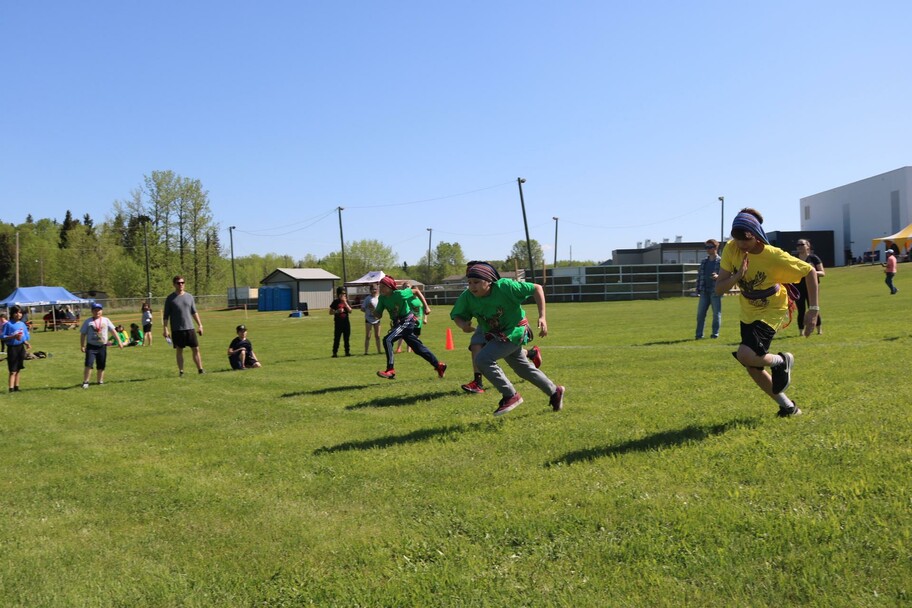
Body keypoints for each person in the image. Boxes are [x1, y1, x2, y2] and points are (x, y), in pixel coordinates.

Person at [714, 208, 819, 418]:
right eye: (737, 239)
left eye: (746, 240)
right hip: (748, 309)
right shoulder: (732, 249)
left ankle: (782, 361)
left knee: (746, 354)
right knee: (752, 364)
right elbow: (719, 288)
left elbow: (810, 271)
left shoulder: (773, 256)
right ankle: (789, 408)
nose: (741, 244)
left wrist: (813, 310)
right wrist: (738, 276)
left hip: (772, 307)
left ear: (756, 233)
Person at [450, 262, 564, 416]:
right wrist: (463, 324)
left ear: (489, 281)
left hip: (515, 331)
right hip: (497, 335)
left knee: (483, 359)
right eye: (469, 282)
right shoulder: (468, 297)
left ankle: (510, 395)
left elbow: (537, 288)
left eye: (476, 282)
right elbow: (457, 315)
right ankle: (555, 391)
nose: (472, 286)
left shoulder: (506, 287)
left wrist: (542, 317)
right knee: (523, 369)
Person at [374, 275, 446, 380]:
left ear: (390, 287)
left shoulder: (400, 294)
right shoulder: (382, 298)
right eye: (380, 287)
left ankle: (390, 370)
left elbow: (416, 291)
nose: (381, 289)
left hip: (407, 320)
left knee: (387, 339)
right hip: (398, 323)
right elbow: (378, 315)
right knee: (418, 348)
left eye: (383, 286)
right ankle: (439, 365)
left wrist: (426, 307)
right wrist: (371, 310)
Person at [162, 275, 205, 376]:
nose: (181, 284)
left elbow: (194, 312)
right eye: (178, 283)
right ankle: (181, 371)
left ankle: (200, 369)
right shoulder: (170, 298)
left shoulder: (189, 297)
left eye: (182, 282)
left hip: (190, 328)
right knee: (179, 350)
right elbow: (166, 316)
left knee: (196, 349)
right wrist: (165, 329)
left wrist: (200, 325)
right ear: (174, 284)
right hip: (177, 329)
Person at [80, 302, 124, 388]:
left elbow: (113, 331)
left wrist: (119, 341)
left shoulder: (106, 320)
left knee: (101, 364)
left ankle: (100, 381)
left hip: (102, 346)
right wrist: (82, 345)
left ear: (102, 311)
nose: (97, 312)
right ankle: (86, 382)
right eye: (95, 310)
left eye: (99, 310)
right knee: (89, 364)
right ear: (92, 311)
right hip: (91, 347)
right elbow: (83, 334)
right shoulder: (88, 321)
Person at [794, 239, 825, 334]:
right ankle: (801, 332)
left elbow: (822, 273)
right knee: (801, 309)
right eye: (797, 244)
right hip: (798, 287)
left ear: (808, 246)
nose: (799, 246)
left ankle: (819, 330)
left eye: (801, 244)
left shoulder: (814, 258)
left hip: (812, 287)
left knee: (813, 308)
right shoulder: (794, 259)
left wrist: (810, 272)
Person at [695, 239, 723, 339]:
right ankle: (699, 335)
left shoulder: (721, 262)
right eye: (706, 247)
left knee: (716, 314)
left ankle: (715, 334)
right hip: (704, 291)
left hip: (715, 291)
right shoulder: (704, 262)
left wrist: (718, 276)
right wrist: (697, 289)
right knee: (700, 315)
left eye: (710, 247)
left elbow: (727, 275)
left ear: (716, 248)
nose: (707, 249)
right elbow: (699, 277)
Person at [0, 306, 30, 392]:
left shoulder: (22, 324)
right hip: (12, 348)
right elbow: (3, 337)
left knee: (19, 368)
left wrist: (26, 343)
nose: (18, 314)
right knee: (13, 370)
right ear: (12, 314)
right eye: (16, 312)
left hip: (21, 348)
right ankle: (11, 388)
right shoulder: (8, 324)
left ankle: (17, 387)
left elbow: (23, 336)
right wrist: (13, 336)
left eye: (20, 313)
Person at [329, 287, 352, 357]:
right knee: (337, 338)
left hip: (346, 323)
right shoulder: (335, 302)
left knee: (346, 338)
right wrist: (337, 311)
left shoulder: (346, 301)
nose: (343, 295)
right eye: (342, 294)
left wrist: (345, 302)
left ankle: (347, 352)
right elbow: (330, 312)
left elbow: (350, 311)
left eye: (344, 293)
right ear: (338, 294)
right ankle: (334, 353)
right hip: (338, 323)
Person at [361, 284, 382, 355]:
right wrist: (368, 309)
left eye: (375, 289)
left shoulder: (380, 298)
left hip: (377, 319)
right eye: (373, 289)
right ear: (370, 290)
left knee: (378, 336)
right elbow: (362, 308)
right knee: (368, 336)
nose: (374, 291)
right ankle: (366, 352)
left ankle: (379, 351)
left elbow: (381, 308)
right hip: (369, 319)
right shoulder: (368, 298)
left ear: (377, 290)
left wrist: (375, 311)